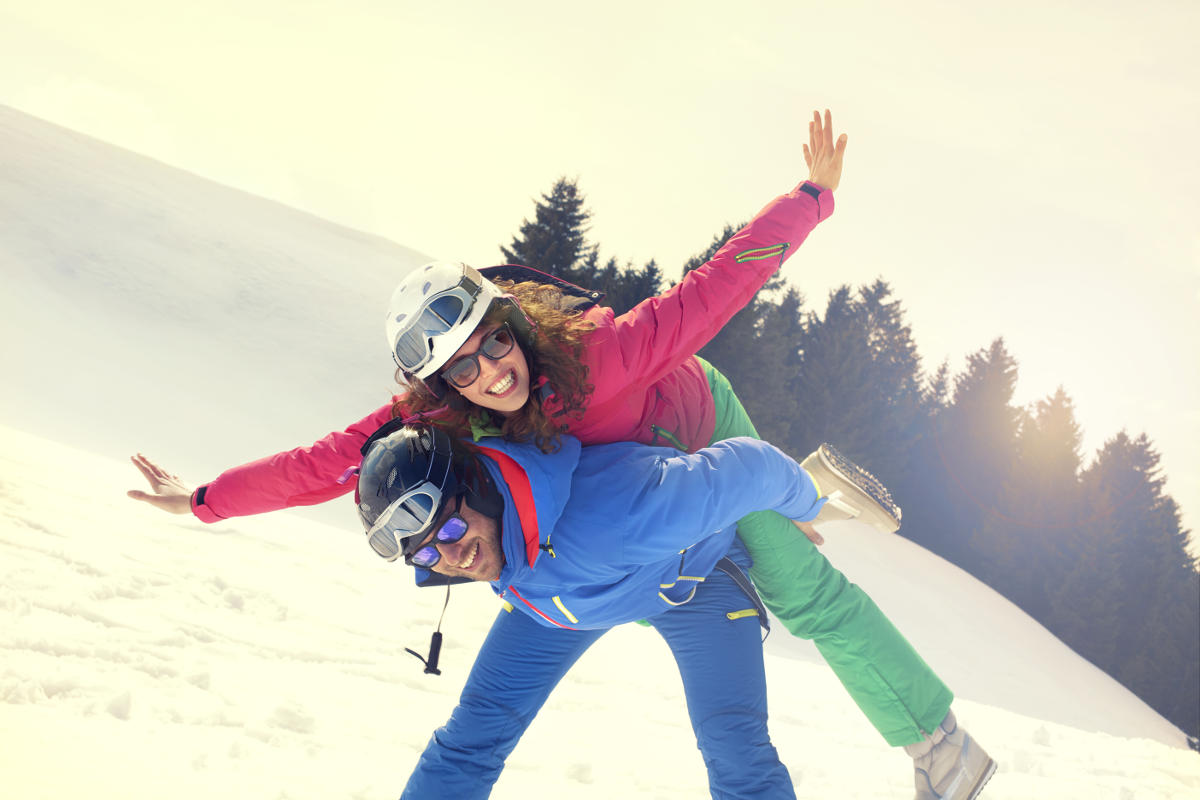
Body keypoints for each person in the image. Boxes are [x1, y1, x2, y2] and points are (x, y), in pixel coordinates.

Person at [130, 110, 995, 799]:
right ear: (440, 386)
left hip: (696, 429)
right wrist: (204, 499)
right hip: (609, 517)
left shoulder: (600, 356)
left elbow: (712, 291)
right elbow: (325, 465)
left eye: (490, 343)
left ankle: (940, 747)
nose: (489, 372)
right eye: (459, 368)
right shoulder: (449, 420)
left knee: (801, 591)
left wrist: (811, 196)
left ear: (511, 323)